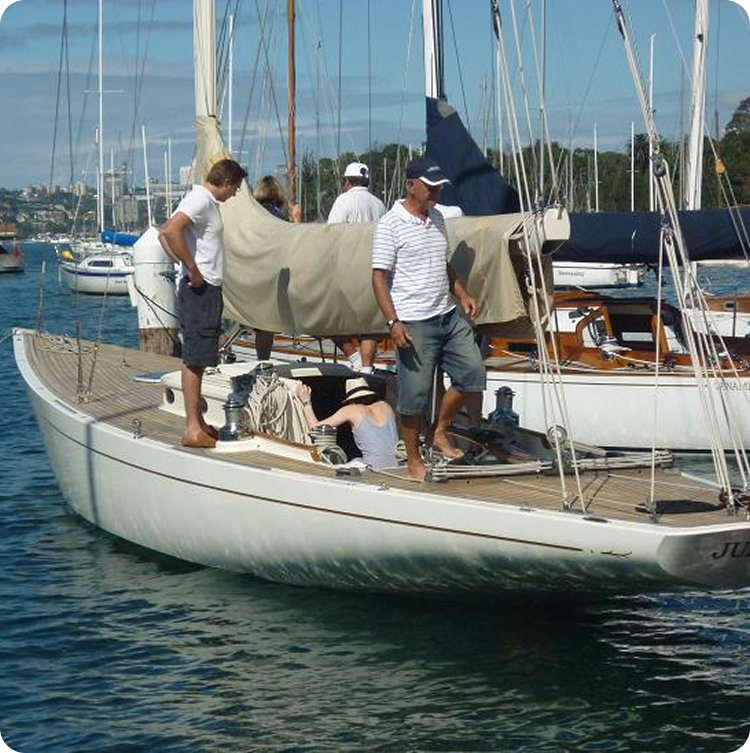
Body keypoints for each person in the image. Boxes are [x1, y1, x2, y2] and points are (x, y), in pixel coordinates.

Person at [371, 155, 486, 480]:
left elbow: (444, 264)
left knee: (472, 373)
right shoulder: (390, 224)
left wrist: (462, 294)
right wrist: (393, 323)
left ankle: (439, 432)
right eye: (431, 187)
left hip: (447, 315)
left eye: (439, 188)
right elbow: (379, 277)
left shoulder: (436, 217)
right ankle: (413, 458)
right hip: (413, 320)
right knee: (414, 396)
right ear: (411, 185)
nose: (436, 193)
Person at [158, 157, 248, 449]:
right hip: (201, 289)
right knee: (195, 359)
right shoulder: (201, 200)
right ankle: (192, 428)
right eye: (234, 188)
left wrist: (185, 265)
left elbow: (164, 235)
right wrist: (192, 268)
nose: (234, 194)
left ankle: (197, 422)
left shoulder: (203, 201)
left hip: (205, 287)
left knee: (201, 356)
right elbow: (170, 230)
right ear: (226, 181)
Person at [327, 161, 387, 372]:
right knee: (370, 321)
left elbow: (331, 235)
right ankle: (367, 366)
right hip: (375, 269)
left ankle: (354, 357)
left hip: (348, 269)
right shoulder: (379, 205)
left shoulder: (343, 201)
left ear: (347, 182)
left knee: (328, 316)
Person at [296, 377, 399, 470]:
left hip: (373, 467)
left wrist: (306, 402)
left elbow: (315, 428)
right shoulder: (385, 406)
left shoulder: (350, 410)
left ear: (350, 400)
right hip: (396, 466)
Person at [252, 175, 301, 360]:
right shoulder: (279, 216)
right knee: (267, 326)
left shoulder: (254, 214)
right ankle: (263, 359)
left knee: (261, 324)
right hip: (276, 272)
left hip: (257, 271)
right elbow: (293, 242)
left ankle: (261, 360)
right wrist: (296, 219)